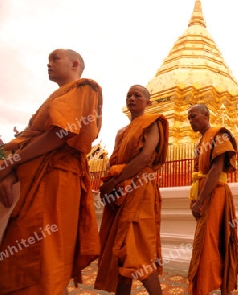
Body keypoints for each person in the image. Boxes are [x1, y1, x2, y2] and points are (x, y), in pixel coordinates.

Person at [0, 49, 102, 294]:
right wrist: (10, 172)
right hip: (30, 179)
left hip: (56, 178)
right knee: (18, 252)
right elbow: (29, 141)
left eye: (55, 58)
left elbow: (61, 133)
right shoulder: (56, 97)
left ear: (75, 63)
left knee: (46, 254)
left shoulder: (85, 88)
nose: (48, 64)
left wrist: (11, 163)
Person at [94, 85, 168, 295]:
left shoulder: (152, 123)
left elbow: (145, 157)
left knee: (138, 254)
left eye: (138, 95)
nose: (132, 98)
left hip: (140, 190)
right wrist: (112, 184)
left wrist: (115, 182)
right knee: (119, 253)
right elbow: (115, 160)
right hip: (120, 193)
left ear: (148, 102)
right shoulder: (121, 133)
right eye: (129, 95)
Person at [187, 104, 238, 295]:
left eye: (194, 116)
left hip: (216, 193)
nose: (191, 121)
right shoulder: (200, 143)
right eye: (188, 118)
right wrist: (195, 200)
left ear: (206, 115)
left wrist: (200, 201)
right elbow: (198, 174)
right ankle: (204, 287)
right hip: (204, 193)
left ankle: (221, 286)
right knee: (204, 242)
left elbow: (216, 170)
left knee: (216, 240)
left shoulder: (219, 135)